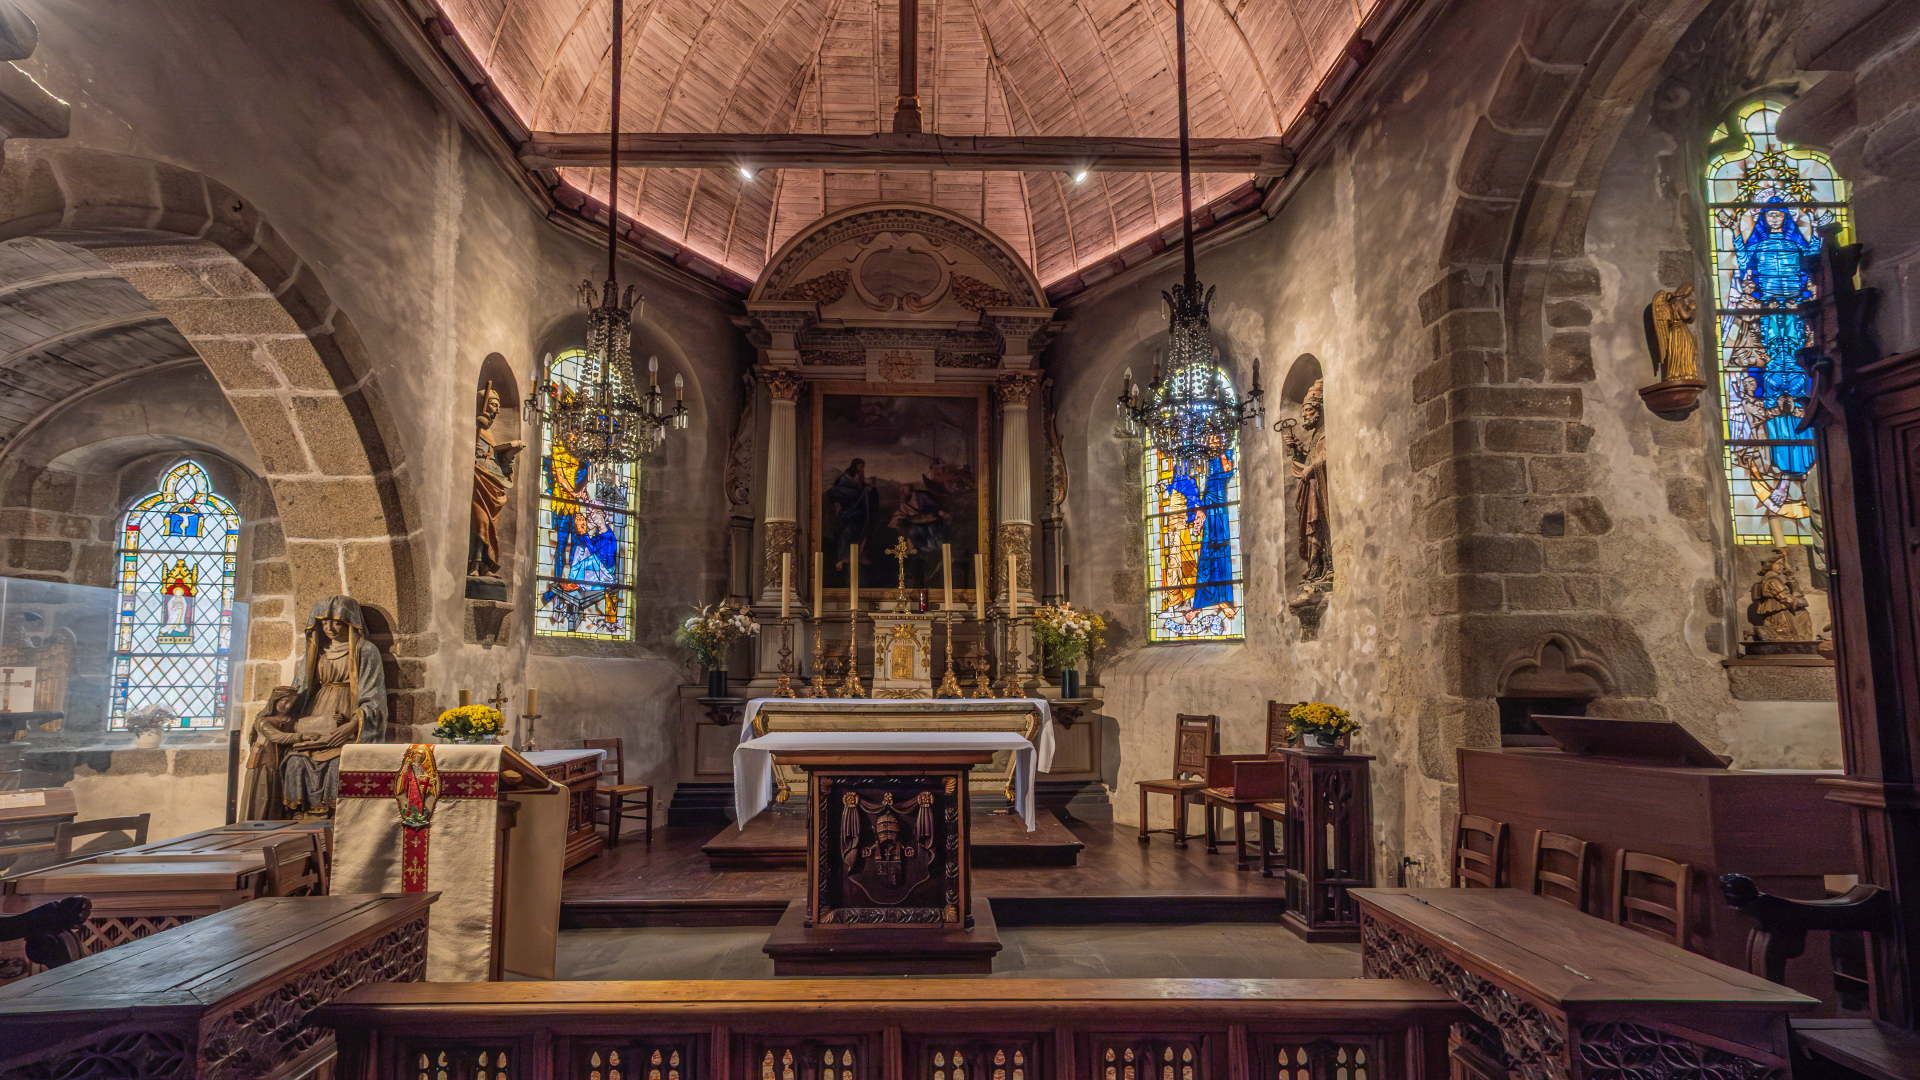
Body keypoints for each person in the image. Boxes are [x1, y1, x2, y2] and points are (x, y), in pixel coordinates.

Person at [260, 596, 389, 818]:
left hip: (348, 714)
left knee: (338, 763)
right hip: (316, 716)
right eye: (324, 622)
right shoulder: (316, 652)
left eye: (336, 622)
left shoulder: (365, 650)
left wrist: (351, 726)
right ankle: (304, 815)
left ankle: (336, 817)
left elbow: (374, 697)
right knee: (295, 761)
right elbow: (297, 691)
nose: (329, 628)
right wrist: (270, 714)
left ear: (350, 622)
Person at [827, 458, 878, 570]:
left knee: (860, 532)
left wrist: (868, 489)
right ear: (854, 466)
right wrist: (857, 492)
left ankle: (858, 555)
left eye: (863, 466)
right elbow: (837, 491)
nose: (862, 468)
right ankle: (842, 558)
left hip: (859, 512)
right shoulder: (844, 478)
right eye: (860, 466)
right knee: (847, 533)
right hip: (847, 510)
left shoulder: (860, 476)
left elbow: (861, 489)